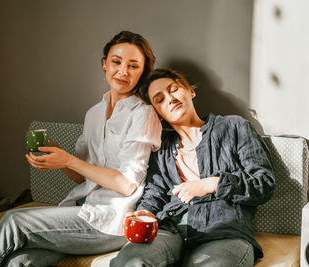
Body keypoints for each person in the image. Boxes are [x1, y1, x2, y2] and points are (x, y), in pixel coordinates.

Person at [0, 31, 162, 267]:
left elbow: (127, 185)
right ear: (104, 64)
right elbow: (83, 179)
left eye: (133, 66)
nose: (123, 71)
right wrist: (56, 156)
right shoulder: (94, 113)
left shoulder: (143, 114)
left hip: (111, 221)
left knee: (14, 220)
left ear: (142, 72)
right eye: (116, 62)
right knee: (20, 262)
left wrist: (68, 160)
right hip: (79, 210)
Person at [111, 68, 275, 267]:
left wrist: (212, 184)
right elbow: (155, 193)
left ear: (190, 91)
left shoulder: (235, 127)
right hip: (170, 228)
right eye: (160, 100)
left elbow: (263, 184)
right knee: (130, 262)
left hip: (222, 232)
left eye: (174, 89)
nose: (170, 99)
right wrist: (146, 212)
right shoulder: (160, 147)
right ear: (158, 115)